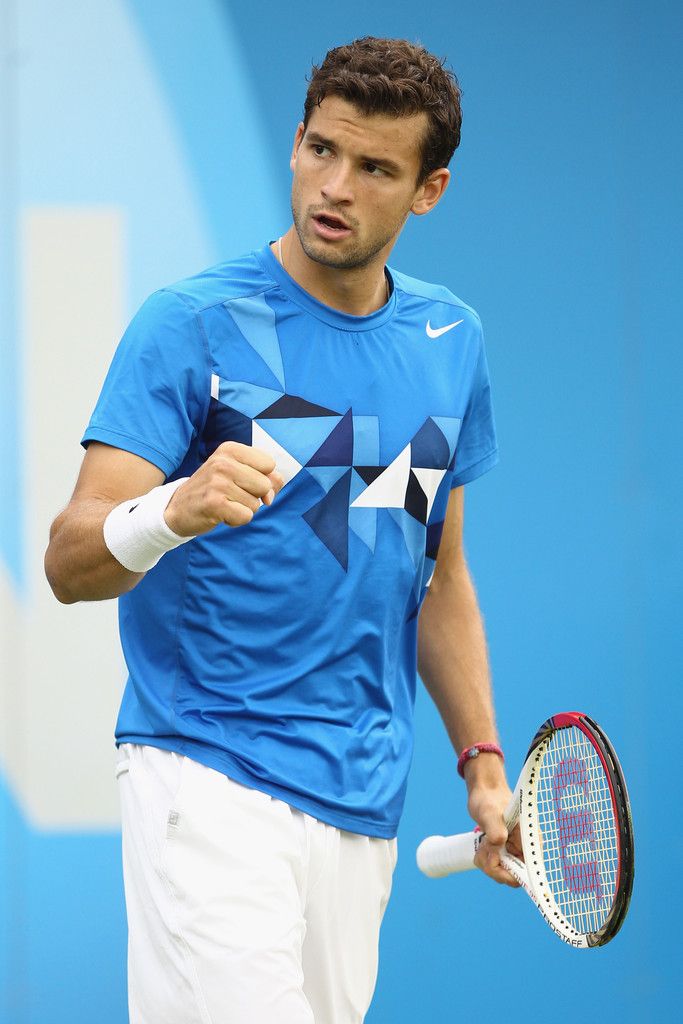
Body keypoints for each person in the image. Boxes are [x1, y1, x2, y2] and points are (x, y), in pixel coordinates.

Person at [45, 36, 519, 1024]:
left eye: (374, 167)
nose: (332, 185)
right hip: (205, 765)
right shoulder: (191, 324)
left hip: (359, 798)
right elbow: (70, 559)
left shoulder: (450, 342)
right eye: (319, 149)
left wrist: (478, 762)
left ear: (426, 190)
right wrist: (172, 509)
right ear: (298, 140)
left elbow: (437, 580)